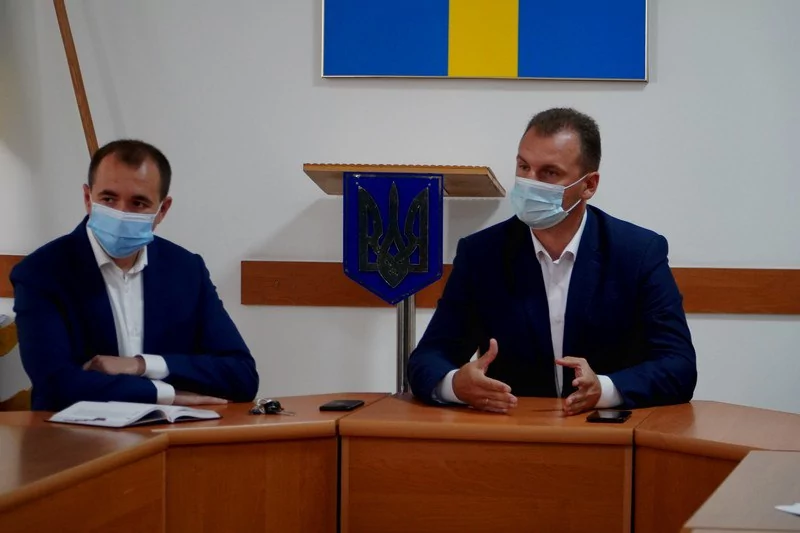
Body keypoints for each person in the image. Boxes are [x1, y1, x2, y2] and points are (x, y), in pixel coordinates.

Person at [408, 108, 696, 415]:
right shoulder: (481, 254)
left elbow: (678, 366)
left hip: (606, 432)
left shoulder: (637, 253)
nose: (529, 182)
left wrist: (604, 389)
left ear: (589, 185)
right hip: (514, 428)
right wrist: (455, 385)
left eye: (549, 173)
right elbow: (428, 358)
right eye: (523, 167)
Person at [11, 140, 259, 411]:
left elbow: (242, 375)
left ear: (162, 210)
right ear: (87, 198)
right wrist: (164, 394)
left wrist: (141, 365)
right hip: (72, 434)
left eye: (138, 203)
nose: (121, 213)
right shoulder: (41, 272)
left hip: (171, 432)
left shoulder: (187, 270)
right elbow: (55, 384)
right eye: (108, 199)